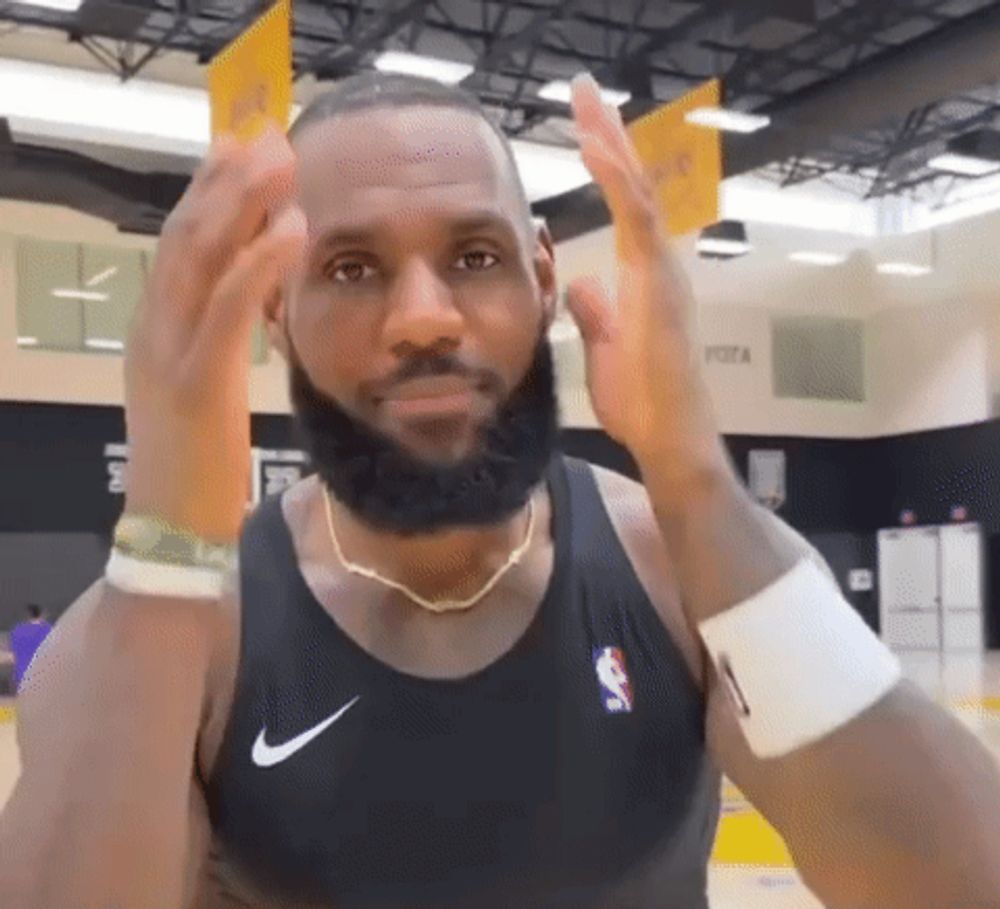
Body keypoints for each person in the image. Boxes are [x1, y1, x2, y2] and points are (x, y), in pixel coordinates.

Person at [1, 71, 999, 909]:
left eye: (474, 258)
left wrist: (697, 479)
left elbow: (959, 884)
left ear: (543, 277)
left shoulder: (679, 564)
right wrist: (165, 551)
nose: (424, 318)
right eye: (351, 268)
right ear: (277, 310)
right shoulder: (188, 623)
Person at [9, 605, 52, 695]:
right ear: (41, 614)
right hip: (43, 677)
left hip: (21, 677)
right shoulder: (48, 630)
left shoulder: (17, 630)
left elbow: (13, 653)